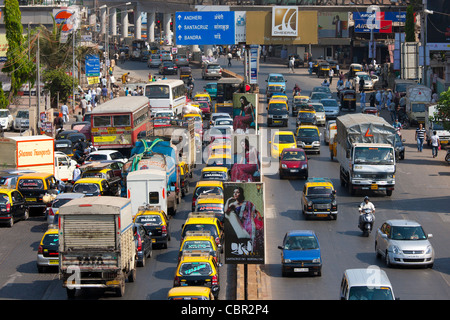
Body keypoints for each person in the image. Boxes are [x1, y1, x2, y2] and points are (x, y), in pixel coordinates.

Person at [224, 186, 264, 253]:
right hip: (240, 226)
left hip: (249, 224)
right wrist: (228, 200)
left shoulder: (247, 203)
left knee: (253, 238)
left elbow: (255, 212)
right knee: (244, 242)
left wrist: (258, 218)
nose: (235, 194)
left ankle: (252, 252)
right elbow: (226, 211)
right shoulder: (232, 204)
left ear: (241, 193)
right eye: (234, 193)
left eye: (237, 192)